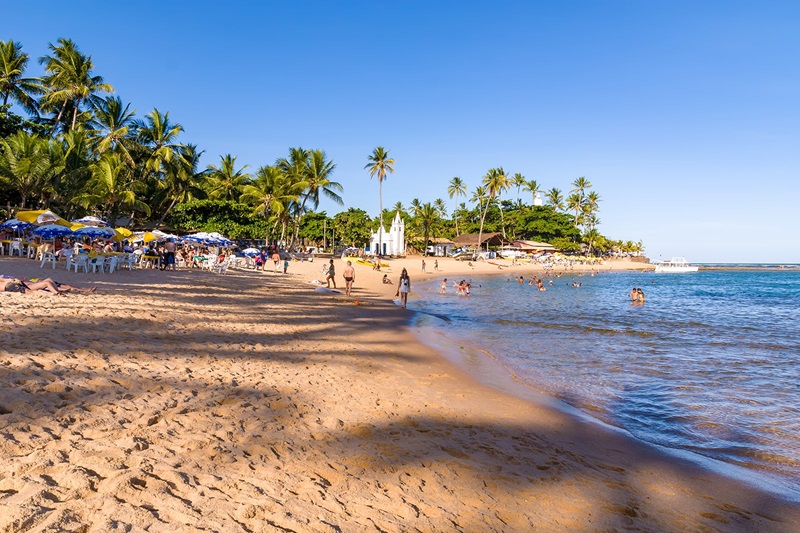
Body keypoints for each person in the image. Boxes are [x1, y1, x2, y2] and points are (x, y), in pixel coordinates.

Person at [2, 276, 96, 295]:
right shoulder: (4, 283)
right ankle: (57, 293)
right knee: (47, 283)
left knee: (49, 280)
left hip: (25, 283)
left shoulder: (3, 278)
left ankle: (80, 289)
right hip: (27, 286)